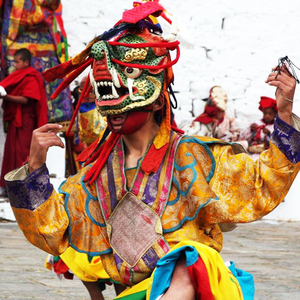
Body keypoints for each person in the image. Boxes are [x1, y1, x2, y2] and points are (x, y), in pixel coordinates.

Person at [4, 2, 300, 300]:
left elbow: (263, 184)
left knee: (189, 259)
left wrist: (285, 112)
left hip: (193, 289)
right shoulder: (96, 175)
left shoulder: (192, 157)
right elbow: (52, 233)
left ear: (158, 101)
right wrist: (34, 166)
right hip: (130, 294)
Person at [0, 48, 48, 197]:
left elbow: (27, 99)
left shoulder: (31, 77)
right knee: (11, 153)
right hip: (17, 120)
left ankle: (24, 187)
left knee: (23, 153)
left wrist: (5, 96)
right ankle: (10, 187)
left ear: (26, 62)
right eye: (14, 61)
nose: (15, 64)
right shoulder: (18, 75)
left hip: (26, 122)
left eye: (17, 61)